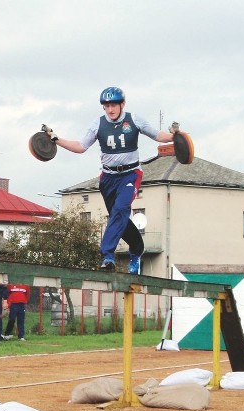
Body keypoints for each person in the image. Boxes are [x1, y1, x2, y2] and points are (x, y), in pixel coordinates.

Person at [44, 87, 176, 274]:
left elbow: (157, 135)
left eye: (114, 105)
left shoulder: (134, 120)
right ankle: (137, 249)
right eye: (106, 106)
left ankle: (107, 256)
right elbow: (81, 146)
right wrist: (56, 139)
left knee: (121, 210)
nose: (110, 109)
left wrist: (174, 136)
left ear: (122, 104)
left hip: (130, 175)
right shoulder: (97, 125)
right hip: (108, 178)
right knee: (118, 217)